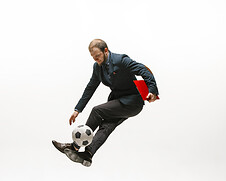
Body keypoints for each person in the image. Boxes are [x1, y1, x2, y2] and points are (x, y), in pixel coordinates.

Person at [52, 39, 159, 167]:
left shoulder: (121, 60)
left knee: (97, 111)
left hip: (132, 102)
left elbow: (144, 70)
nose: (95, 59)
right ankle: (88, 154)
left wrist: (152, 91)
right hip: (118, 102)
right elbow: (90, 88)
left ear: (106, 51)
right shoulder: (97, 67)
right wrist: (77, 109)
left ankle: (75, 146)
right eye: (93, 57)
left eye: (97, 56)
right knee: (106, 126)